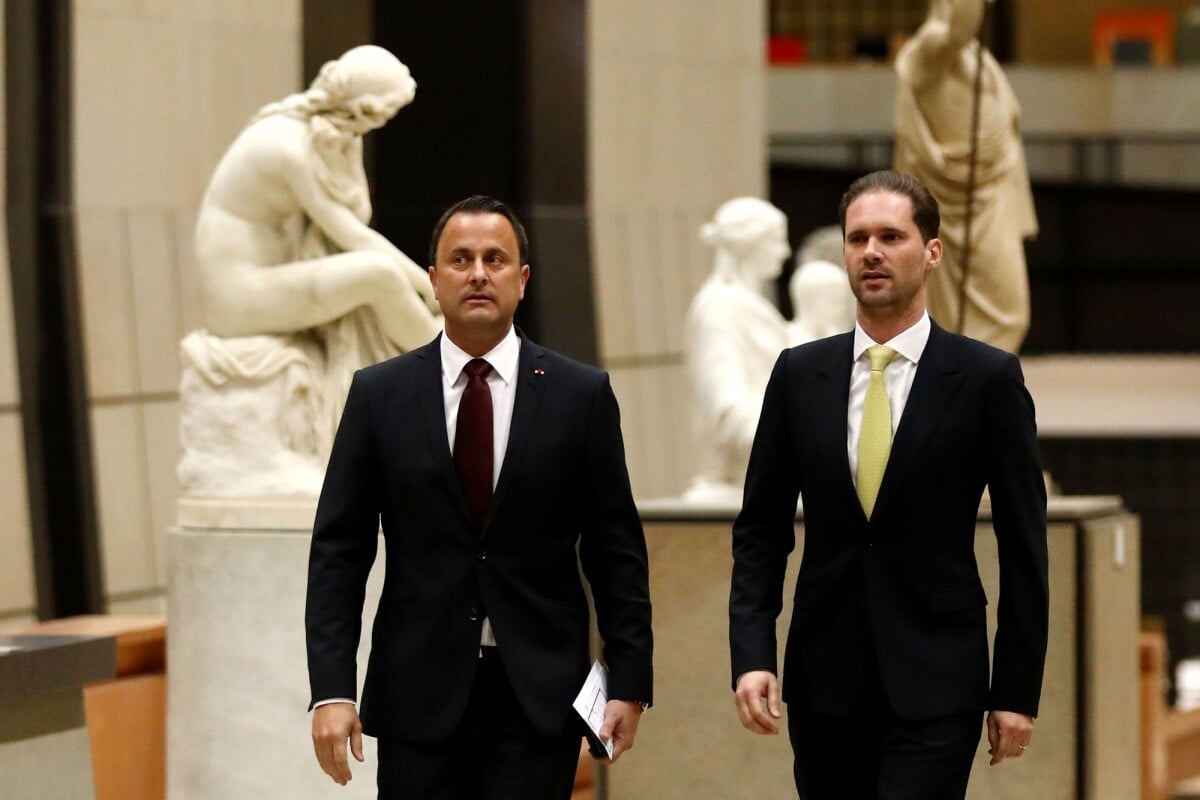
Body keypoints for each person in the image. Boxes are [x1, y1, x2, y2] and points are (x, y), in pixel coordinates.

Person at [306, 195, 653, 799]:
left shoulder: (581, 395)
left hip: (537, 695)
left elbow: (615, 549)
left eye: (496, 260)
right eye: (460, 260)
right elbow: (339, 551)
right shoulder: (379, 395)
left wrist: (628, 679)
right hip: (418, 692)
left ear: (521, 281)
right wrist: (332, 689)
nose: (477, 274)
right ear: (433, 281)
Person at [729, 170, 1047, 799]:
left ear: (931, 252)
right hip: (824, 680)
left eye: (891, 236)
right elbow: (761, 532)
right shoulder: (799, 375)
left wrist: (1015, 692)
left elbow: (1024, 546)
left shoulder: (985, 379)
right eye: (858, 239)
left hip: (938, 682)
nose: (871, 252)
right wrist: (752, 653)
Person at [894, 0, 1038, 353]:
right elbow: (958, 27)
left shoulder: (978, 56)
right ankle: (966, 383)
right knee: (979, 314)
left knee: (1011, 311)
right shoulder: (928, 52)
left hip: (991, 190)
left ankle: (979, 383)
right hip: (952, 195)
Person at [682, 197, 790, 504]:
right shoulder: (718, 310)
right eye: (777, 241)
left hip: (768, 476)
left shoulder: (753, 307)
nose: (785, 251)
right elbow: (725, 406)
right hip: (738, 484)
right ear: (750, 244)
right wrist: (799, 441)